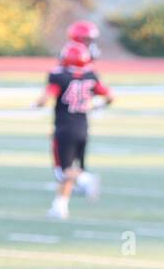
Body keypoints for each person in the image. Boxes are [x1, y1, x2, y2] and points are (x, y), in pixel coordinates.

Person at [34, 41, 111, 219]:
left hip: (64, 128)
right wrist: (98, 106)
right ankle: (60, 207)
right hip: (83, 127)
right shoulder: (90, 75)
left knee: (64, 171)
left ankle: (86, 180)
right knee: (72, 169)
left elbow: (46, 98)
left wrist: (34, 105)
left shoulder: (59, 77)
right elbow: (109, 96)